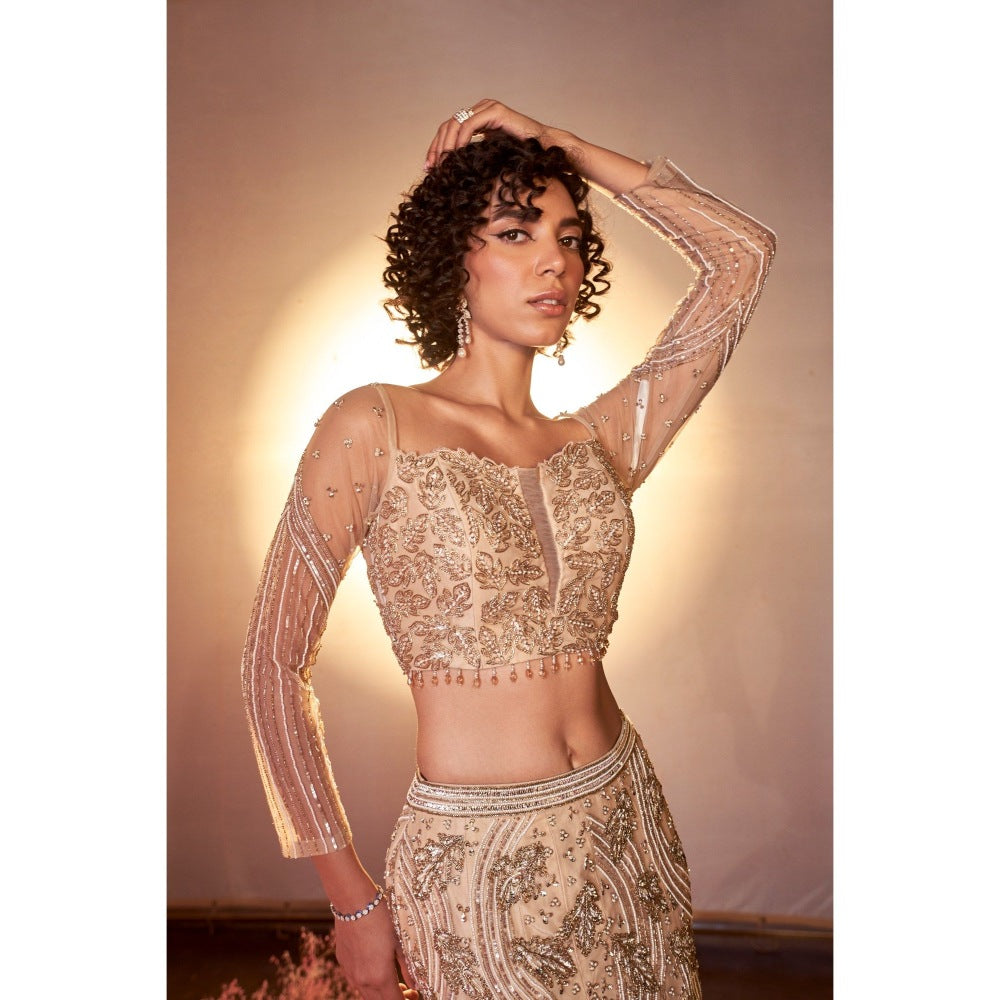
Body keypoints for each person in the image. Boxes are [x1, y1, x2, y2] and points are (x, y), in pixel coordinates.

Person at [242, 99, 775, 999]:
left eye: (569, 237)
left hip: (625, 827)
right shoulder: (372, 426)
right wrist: (350, 898)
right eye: (517, 233)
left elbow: (742, 258)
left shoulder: (596, 444)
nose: (554, 260)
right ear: (455, 254)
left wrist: (566, 145)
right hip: (473, 863)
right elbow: (271, 664)